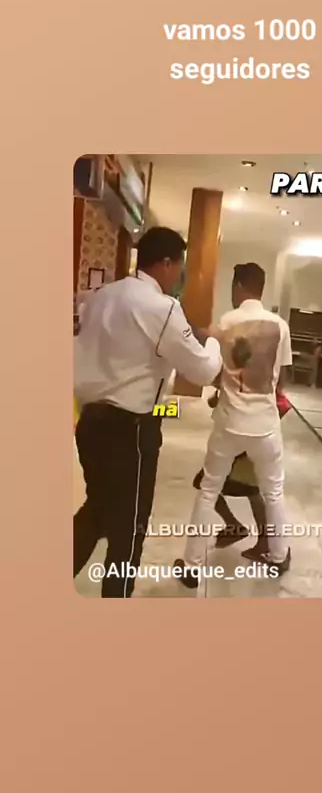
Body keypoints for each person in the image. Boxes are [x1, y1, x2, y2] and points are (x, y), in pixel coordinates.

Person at [73, 226, 223, 598]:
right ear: (167, 263)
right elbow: (203, 370)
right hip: (131, 431)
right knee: (129, 528)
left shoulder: (101, 295)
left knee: (98, 510)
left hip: (89, 423)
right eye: (180, 267)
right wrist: (213, 341)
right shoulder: (162, 307)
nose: (180, 276)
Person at [175, 262, 293, 589]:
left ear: (239, 286)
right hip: (265, 424)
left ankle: (192, 566)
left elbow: (214, 365)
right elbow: (281, 379)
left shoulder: (227, 321)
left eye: (233, 285)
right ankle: (278, 556)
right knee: (274, 492)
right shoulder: (281, 326)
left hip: (229, 421)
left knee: (208, 490)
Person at [192, 387, 292, 561]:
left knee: (249, 490)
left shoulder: (246, 377)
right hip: (257, 434)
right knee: (253, 490)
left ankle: (256, 538)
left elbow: (282, 403)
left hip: (244, 435)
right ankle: (249, 534)